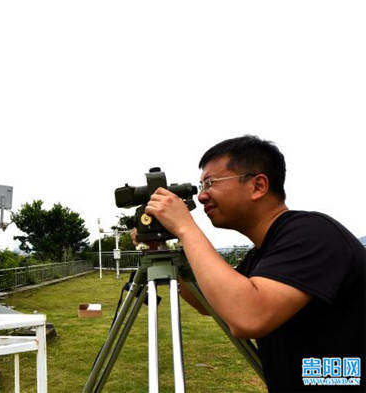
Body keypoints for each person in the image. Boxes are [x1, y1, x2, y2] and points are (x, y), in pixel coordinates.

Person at [142, 135, 365, 392]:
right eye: (201, 186)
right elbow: (212, 302)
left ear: (258, 185)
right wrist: (159, 251)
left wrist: (185, 228)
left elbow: (247, 317)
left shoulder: (312, 234)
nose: (202, 197)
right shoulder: (265, 252)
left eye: (210, 183)